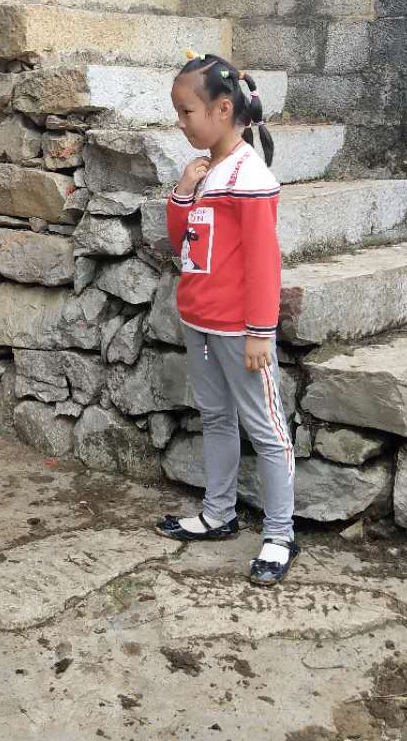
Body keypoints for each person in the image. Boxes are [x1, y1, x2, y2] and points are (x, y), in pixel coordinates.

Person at [153, 51, 297, 586]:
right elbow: (181, 242)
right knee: (215, 416)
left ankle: (280, 534)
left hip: (240, 330)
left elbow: (264, 261)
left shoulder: (248, 176)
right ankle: (219, 513)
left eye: (187, 111)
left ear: (223, 108)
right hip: (201, 322)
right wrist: (183, 191)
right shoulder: (208, 170)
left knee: (266, 428)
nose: (181, 121)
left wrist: (261, 329)